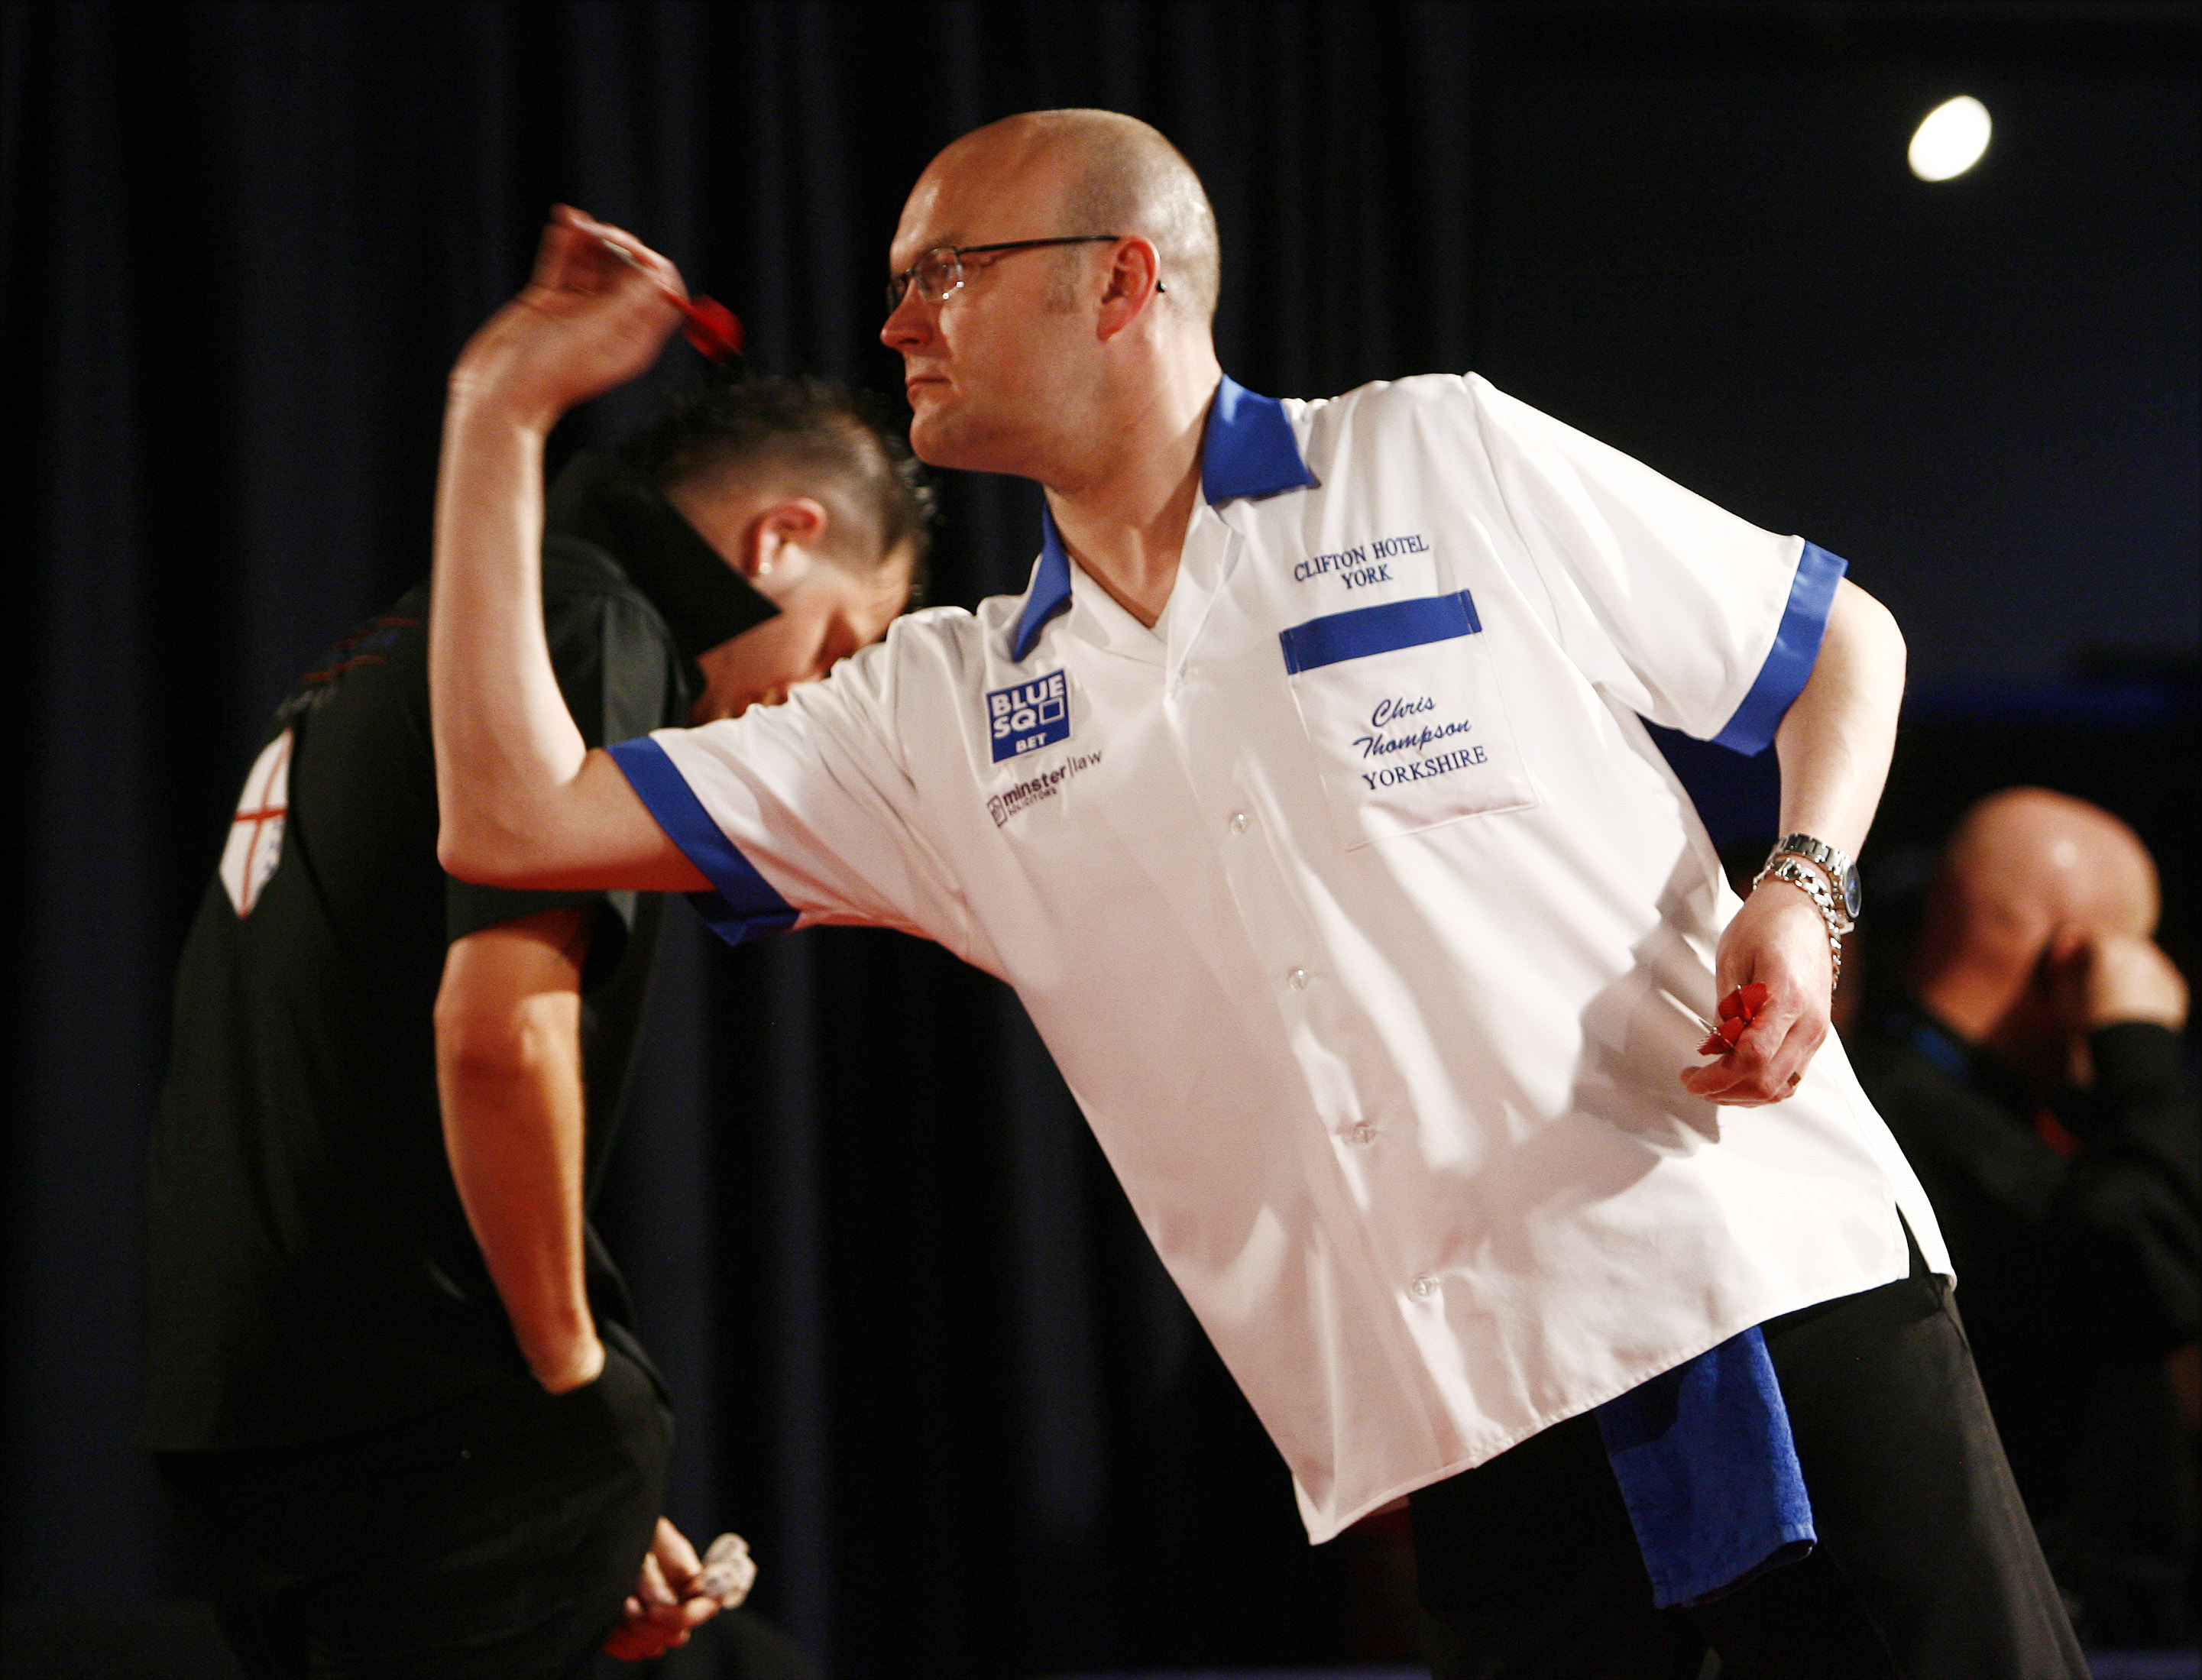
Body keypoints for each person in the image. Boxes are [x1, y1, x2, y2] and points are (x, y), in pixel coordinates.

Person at [426, 113, 2084, 1677]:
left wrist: (1801, 885)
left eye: (945, 272)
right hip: (1465, 1419)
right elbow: (511, 816)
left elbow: (1840, 641)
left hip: (1742, 1285)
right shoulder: (939, 709)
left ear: (1119, 279)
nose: (897, 323)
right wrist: (498, 409)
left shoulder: (1429, 452)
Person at [142, 371, 927, 1678]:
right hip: (411, 1412)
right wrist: (571, 1394)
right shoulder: (596, 618)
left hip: (256, 1395)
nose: (812, 694)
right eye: (839, 645)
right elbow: (499, 1037)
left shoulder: (436, 624)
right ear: (781, 539)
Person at [1851, 788, 2199, 1645]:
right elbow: (2151, 1273)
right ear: (2073, 958)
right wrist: (2139, 1048)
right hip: (2049, 1623)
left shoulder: (1921, 1097)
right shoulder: (1915, 1117)